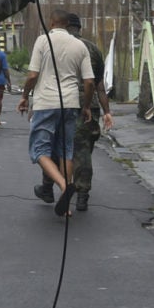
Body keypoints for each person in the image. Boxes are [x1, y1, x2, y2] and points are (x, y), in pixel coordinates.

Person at [17, 7, 93, 217]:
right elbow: (89, 82)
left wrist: (24, 96)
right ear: (68, 25)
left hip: (46, 104)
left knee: (39, 150)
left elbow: (33, 75)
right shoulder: (80, 45)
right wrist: (86, 106)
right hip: (70, 104)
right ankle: (65, 201)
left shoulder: (43, 41)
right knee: (66, 150)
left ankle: (61, 183)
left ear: (51, 23)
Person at [67, 15, 114, 212]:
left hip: (64, 103)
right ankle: (82, 195)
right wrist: (107, 111)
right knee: (83, 151)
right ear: (80, 27)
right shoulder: (93, 49)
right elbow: (99, 85)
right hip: (90, 106)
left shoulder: (59, 46)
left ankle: (50, 186)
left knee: (55, 147)